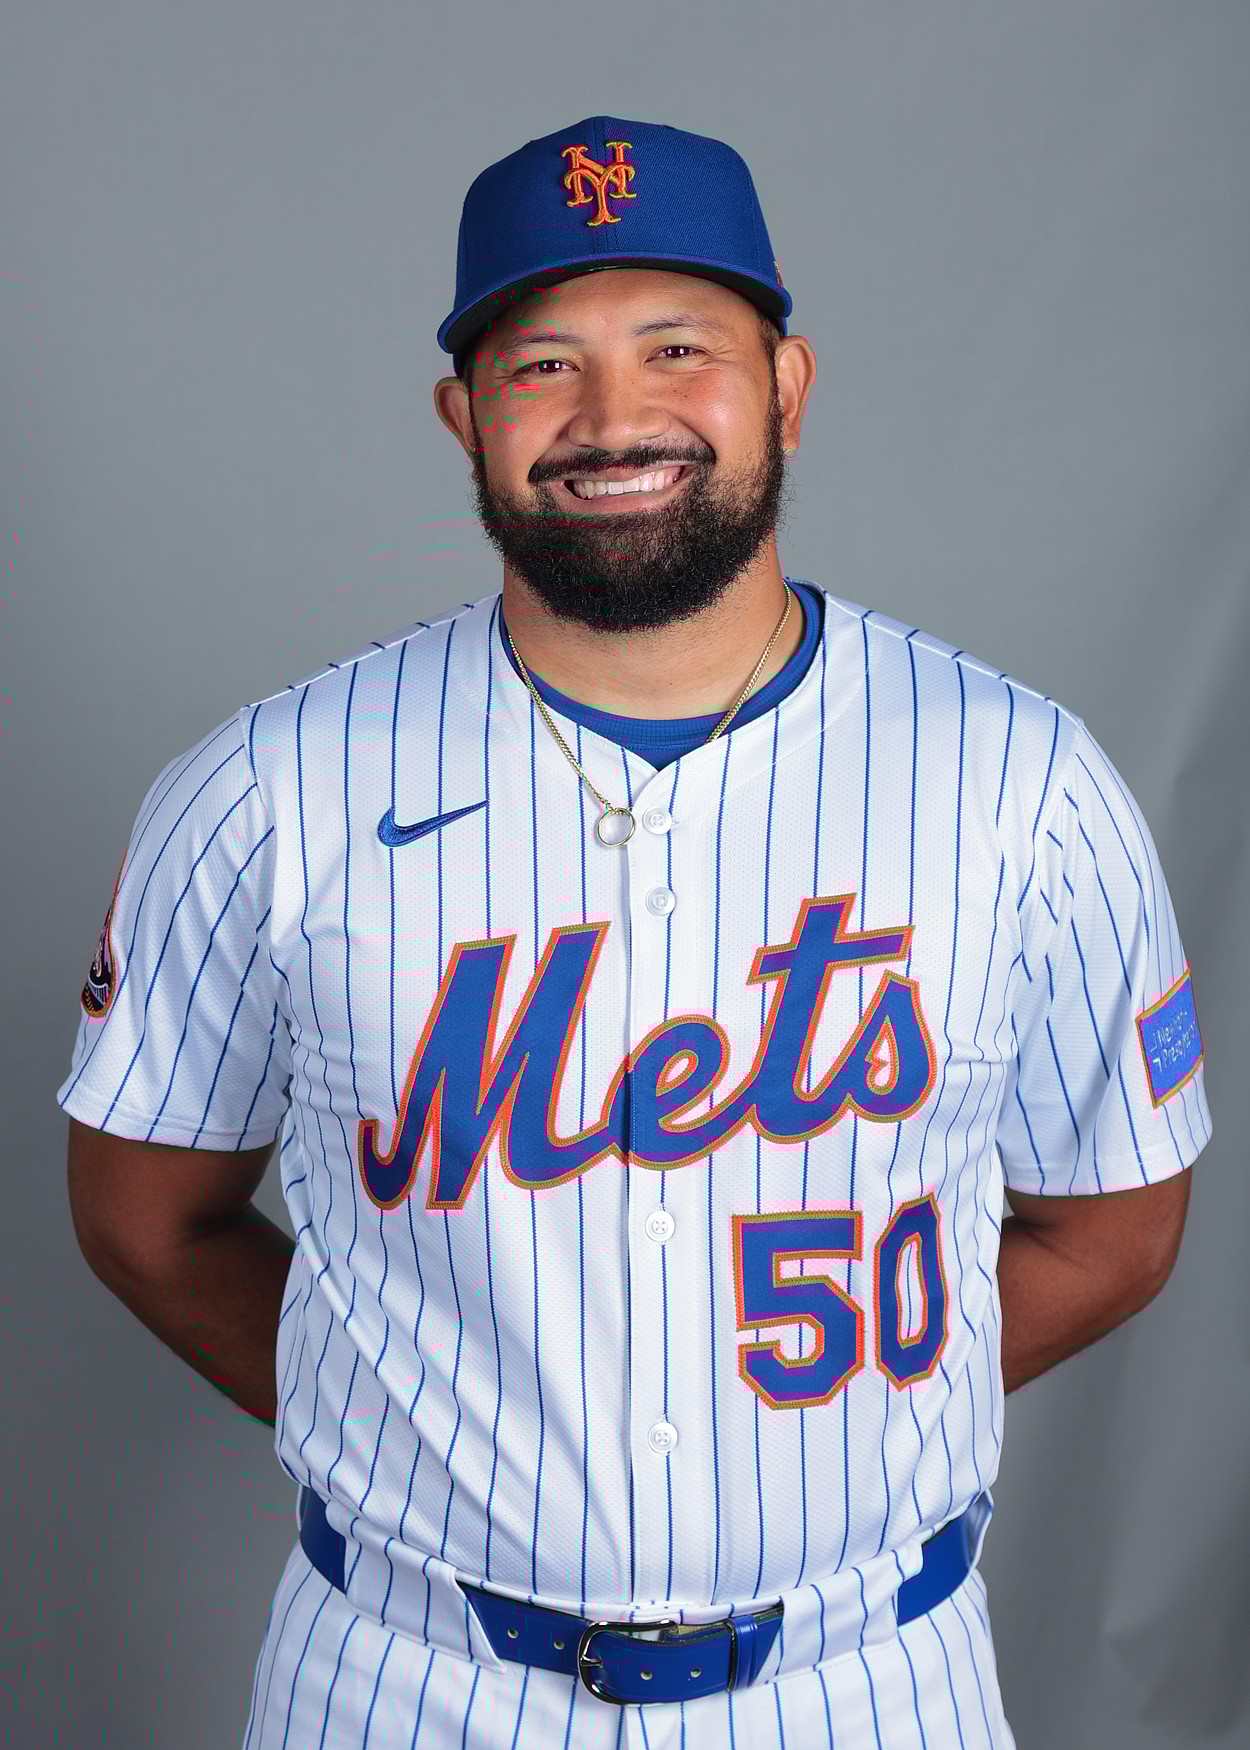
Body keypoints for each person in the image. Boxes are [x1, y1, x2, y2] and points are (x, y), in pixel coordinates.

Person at [61, 116, 1210, 1749]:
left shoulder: (1022, 782)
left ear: (787, 384)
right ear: (464, 415)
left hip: (867, 1681)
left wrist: (851, 1431)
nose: (616, 419)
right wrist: (406, 1426)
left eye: (679, 348)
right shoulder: (265, 791)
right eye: (543, 365)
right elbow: (144, 1214)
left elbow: (1115, 1226)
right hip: (406, 1679)